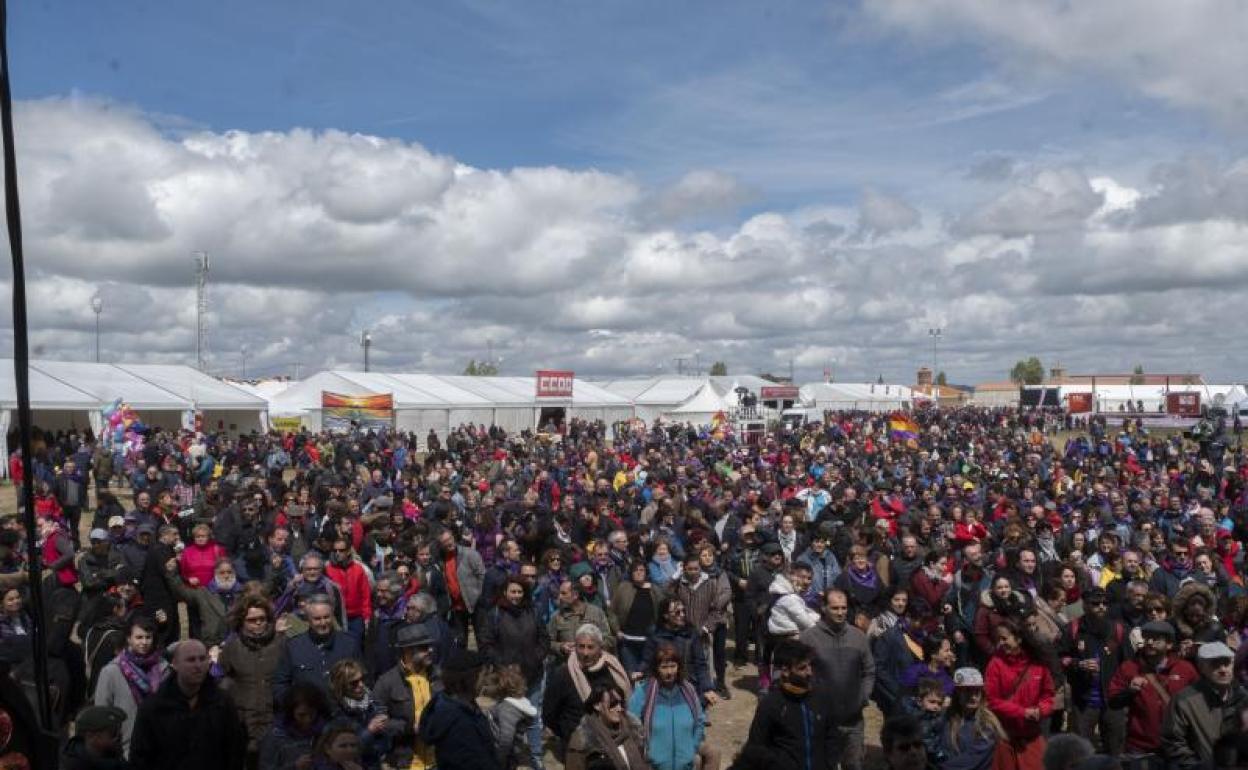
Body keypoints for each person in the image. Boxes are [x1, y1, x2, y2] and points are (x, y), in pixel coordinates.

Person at [128, 639, 248, 770]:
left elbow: (234, 753)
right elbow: (140, 759)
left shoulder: (222, 703)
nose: (198, 665)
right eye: (191, 660)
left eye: (202, 659)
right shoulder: (154, 708)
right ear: (175, 664)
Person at [477, 575, 548, 770]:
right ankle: (507, 756)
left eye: (519, 592)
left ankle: (536, 755)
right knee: (506, 720)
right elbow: (485, 643)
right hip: (506, 678)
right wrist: (502, 664)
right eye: (512, 591)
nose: (516, 596)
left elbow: (544, 639)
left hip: (532, 674)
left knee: (533, 716)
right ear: (505, 592)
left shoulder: (533, 611)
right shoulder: (495, 614)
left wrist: (536, 657)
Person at [800, 588, 874, 770]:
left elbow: (869, 671)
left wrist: (863, 696)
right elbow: (800, 673)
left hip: (853, 719)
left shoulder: (859, 637)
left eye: (844, 608)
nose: (840, 612)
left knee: (854, 764)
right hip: (822, 720)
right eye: (835, 608)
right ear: (824, 608)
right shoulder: (808, 638)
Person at [1106, 619, 1198, 755]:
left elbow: (1199, 703)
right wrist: (1129, 691)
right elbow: (1113, 701)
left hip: (1178, 746)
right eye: (1147, 637)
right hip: (1140, 747)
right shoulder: (1129, 667)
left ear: (1169, 644)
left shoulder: (1185, 669)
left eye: (1156, 639)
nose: (1149, 642)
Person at [744, 638, 836, 770]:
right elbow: (756, 747)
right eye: (802, 668)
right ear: (786, 671)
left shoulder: (821, 698)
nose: (809, 672)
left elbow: (832, 737)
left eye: (810, 665)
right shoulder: (771, 705)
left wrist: (830, 764)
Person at [543, 623, 634, 754]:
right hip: (578, 746)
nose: (585, 653)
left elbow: (623, 701)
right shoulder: (564, 674)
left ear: (600, 648)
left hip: (613, 744)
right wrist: (568, 734)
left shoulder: (612, 668)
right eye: (581, 647)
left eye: (591, 647)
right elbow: (549, 713)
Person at [218, 593, 286, 765]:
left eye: (262, 618)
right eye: (252, 619)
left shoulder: (282, 645)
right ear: (242, 621)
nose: (258, 623)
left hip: (275, 720)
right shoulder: (232, 648)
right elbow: (223, 682)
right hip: (244, 724)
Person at [628, 641, 716, 770]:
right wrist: (645, 753)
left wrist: (693, 746)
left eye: (673, 666)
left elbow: (699, 720)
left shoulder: (688, 690)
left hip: (685, 765)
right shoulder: (644, 691)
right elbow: (631, 724)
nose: (669, 672)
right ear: (656, 668)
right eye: (664, 667)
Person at [1161, 640, 1248, 769]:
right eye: (1215, 664)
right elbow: (1173, 743)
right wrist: (1199, 767)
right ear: (1201, 667)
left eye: (1226, 663)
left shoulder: (1243, 697)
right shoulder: (1184, 700)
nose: (1223, 669)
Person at [92, 615, 168, 757]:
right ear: (128, 639)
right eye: (139, 637)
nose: (144, 642)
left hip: (160, 747)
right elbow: (101, 713)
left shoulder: (164, 669)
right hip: (125, 750)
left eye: (148, 637)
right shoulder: (111, 671)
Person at [985, 619, 1054, 770]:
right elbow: (991, 700)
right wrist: (1022, 712)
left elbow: (1048, 695)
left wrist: (1041, 709)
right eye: (999, 639)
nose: (1001, 643)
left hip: (1032, 735)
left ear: (1019, 638)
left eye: (1005, 638)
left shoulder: (1038, 663)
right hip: (1005, 737)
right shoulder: (995, 663)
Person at [417, 649, 501, 770]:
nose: (485, 681)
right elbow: (474, 762)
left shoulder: (463, 706)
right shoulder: (458, 721)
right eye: (483, 675)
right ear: (468, 679)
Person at [371, 625, 439, 770]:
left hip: (438, 761)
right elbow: (377, 722)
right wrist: (409, 727)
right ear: (407, 651)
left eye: (430, 646)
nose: (430, 651)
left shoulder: (438, 677)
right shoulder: (386, 682)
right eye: (424, 648)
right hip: (405, 764)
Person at [272, 594, 361, 704]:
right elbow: (280, 684)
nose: (323, 623)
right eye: (317, 619)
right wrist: (294, 706)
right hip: (308, 715)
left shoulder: (349, 644)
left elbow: (363, 682)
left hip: (344, 713)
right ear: (308, 620)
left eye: (327, 617)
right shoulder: (293, 647)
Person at [565, 682, 648, 770]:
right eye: (613, 704)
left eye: (621, 703)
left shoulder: (633, 730)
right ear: (597, 705)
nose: (619, 708)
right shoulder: (583, 740)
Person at [328, 659, 390, 770]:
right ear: (341, 686)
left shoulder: (372, 702)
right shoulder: (336, 712)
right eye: (354, 683)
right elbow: (345, 750)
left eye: (362, 679)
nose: (361, 685)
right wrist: (370, 730)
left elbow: (385, 743)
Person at [941, 667, 1007, 770]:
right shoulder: (946, 717)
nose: (973, 696)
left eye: (977, 691)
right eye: (967, 691)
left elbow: (971, 760)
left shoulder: (987, 724)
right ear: (957, 693)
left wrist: (940, 767)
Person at [257, 682, 333, 770]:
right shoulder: (275, 737)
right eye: (301, 715)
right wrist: (294, 767)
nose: (308, 720)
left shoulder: (326, 732)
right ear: (291, 713)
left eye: (312, 714)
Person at [610, 560, 661, 675]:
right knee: (631, 675)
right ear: (631, 573)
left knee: (648, 675)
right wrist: (616, 630)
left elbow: (663, 611)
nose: (638, 573)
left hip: (648, 642)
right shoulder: (623, 588)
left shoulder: (655, 590)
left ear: (646, 572)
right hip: (627, 642)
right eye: (635, 570)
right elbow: (612, 612)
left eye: (641, 570)